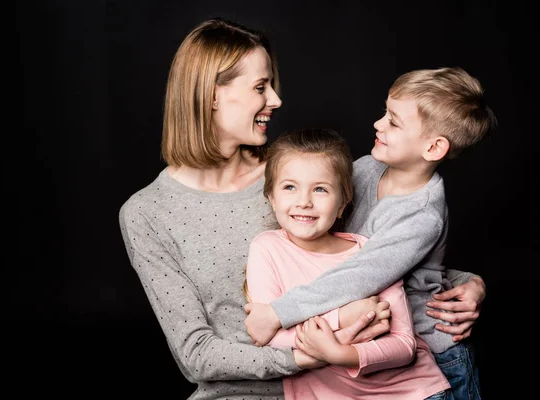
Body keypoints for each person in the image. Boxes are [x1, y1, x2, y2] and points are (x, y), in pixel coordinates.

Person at [118, 18, 392, 400]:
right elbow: (195, 354)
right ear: (212, 95)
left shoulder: (297, 181)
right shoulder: (147, 213)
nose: (276, 100)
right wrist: (301, 357)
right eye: (261, 87)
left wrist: (462, 283)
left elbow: (376, 253)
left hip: (343, 386)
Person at [244, 67, 497, 400]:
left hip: (433, 351)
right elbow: (342, 247)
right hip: (365, 342)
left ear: (433, 148)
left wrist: (278, 312)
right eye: (384, 113)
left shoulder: (421, 215)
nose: (378, 124)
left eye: (393, 121)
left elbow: (363, 273)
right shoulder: (365, 168)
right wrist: (466, 279)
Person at [244, 127, 451, 399]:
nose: (304, 202)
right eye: (290, 187)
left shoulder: (366, 251)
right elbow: (268, 334)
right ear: (271, 197)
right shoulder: (267, 248)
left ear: (342, 204)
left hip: (413, 391)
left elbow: (404, 345)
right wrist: (342, 321)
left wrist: (340, 353)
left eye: (320, 189)